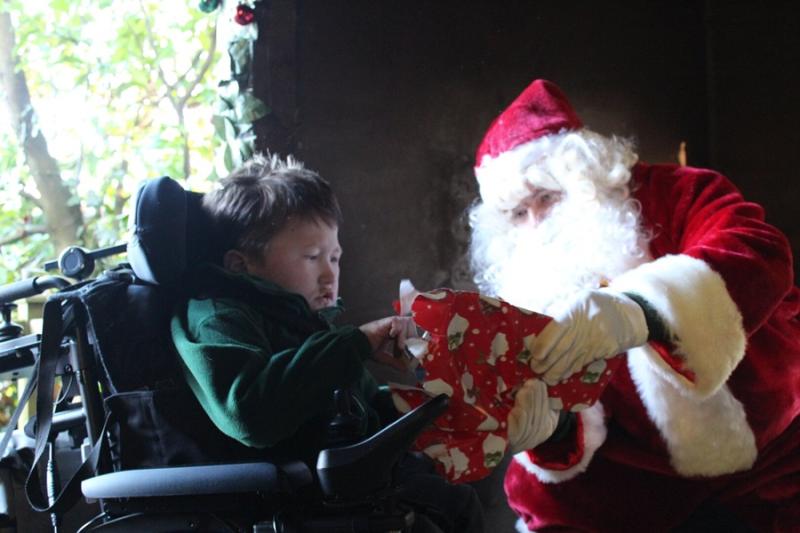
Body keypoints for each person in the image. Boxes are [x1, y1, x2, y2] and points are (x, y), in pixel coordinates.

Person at [468, 79, 800, 532]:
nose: (537, 224)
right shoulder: (528, 276)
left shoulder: (675, 192)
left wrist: (637, 311)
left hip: (765, 443)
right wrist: (551, 433)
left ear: (584, 177)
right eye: (518, 213)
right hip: (635, 469)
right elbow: (566, 431)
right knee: (546, 506)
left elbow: (759, 252)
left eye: (547, 197)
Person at [170, 153, 483, 533]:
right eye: (312, 257)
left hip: (349, 484)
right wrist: (356, 343)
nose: (329, 275)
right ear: (240, 264)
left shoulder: (302, 320)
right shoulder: (218, 317)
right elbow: (250, 411)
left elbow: (361, 404)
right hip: (290, 501)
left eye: (334, 257)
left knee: (458, 493)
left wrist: (426, 406)